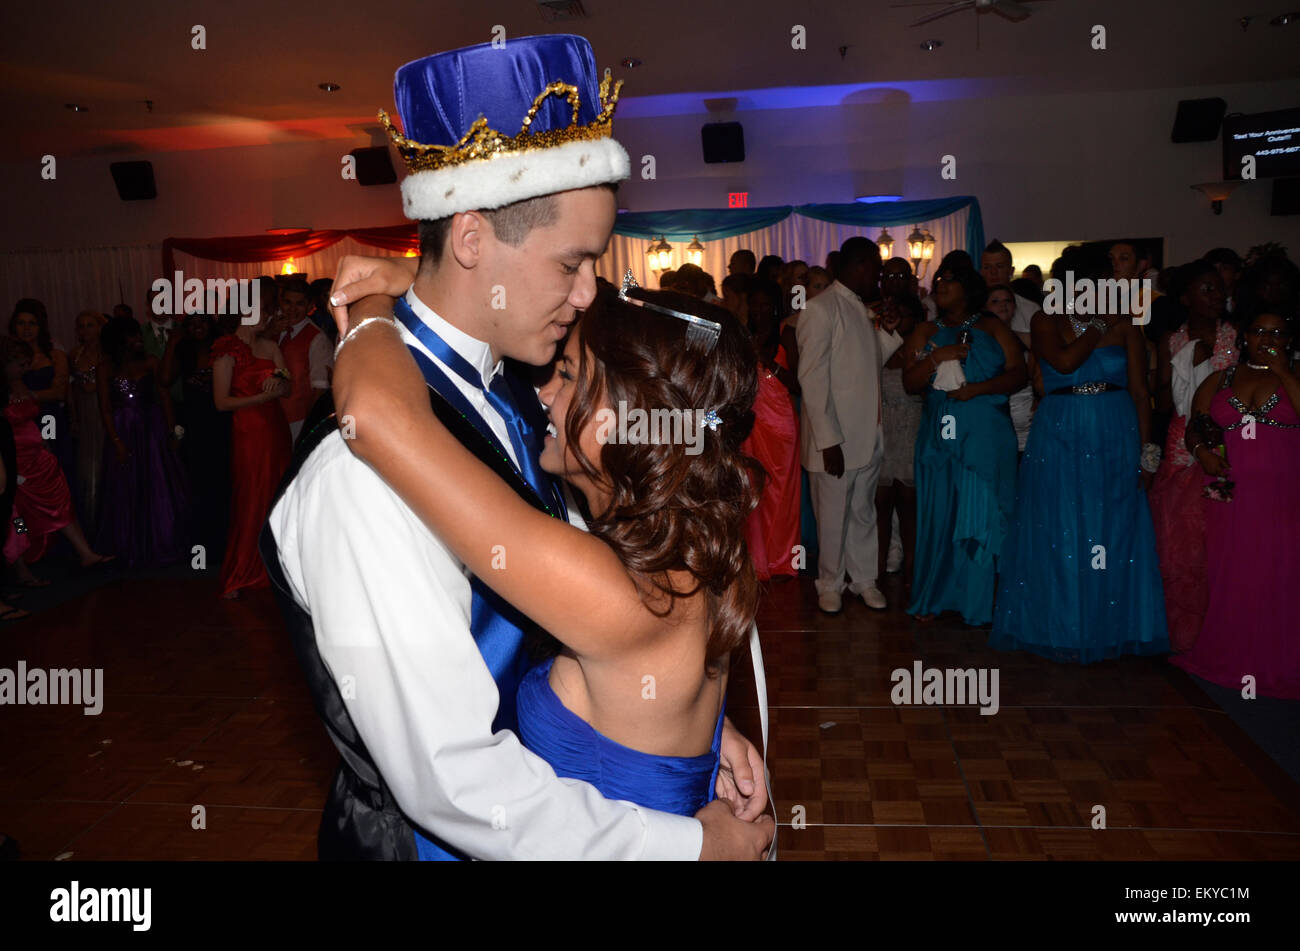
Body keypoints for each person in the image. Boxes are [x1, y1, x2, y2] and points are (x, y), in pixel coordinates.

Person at [262, 34, 772, 861]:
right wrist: (681, 837)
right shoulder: (363, 472)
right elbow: (456, 782)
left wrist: (680, 748)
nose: (587, 294)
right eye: (573, 262)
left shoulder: (524, 388)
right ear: (471, 241)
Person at [990, 257, 1168, 662]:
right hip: (1060, 430)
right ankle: (1061, 626)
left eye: (1101, 282)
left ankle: (1111, 626)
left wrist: (1147, 452)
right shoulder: (1045, 322)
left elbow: (1142, 392)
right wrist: (1100, 325)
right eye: (1085, 282)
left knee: (1113, 527)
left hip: (1116, 428)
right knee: (1061, 526)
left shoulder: (1128, 325)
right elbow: (1065, 362)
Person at [1172, 311, 1299, 698]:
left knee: (1282, 572)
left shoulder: (1292, 377)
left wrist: (1284, 371)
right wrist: (1201, 453)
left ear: (1288, 338)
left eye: (1276, 332)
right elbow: (1195, 423)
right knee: (1232, 570)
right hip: (1227, 488)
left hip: (1283, 492)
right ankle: (1232, 658)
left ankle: (1281, 662)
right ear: (1245, 336)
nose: (1266, 337)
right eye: (1259, 331)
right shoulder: (1221, 378)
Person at [901, 264, 1024, 625]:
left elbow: (1018, 374)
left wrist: (977, 389)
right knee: (941, 512)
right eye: (937, 281)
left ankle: (978, 601)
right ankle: (937, 595)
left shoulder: (993, 327)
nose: (940, 286)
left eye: (949, 279)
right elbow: (910, 382)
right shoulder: (925, 331)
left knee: (981, 512)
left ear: (968, 287)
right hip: (941, 432)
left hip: (985, 433)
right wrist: (939, 356)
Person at [797, 237, 903, 613]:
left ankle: (863, 580)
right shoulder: (820, 310)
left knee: (862, 513)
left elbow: (865, 366)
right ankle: (829, 583)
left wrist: (888, 334)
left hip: (867, 433)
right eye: (875, 266)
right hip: (835, 440)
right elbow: (812, 379)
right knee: (832, 517)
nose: (878, 274)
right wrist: (827, 440)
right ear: (857, 265)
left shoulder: (857, 307)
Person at [1147, 261, 1236, 650]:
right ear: (1185, 298)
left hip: (1228, 439)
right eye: (1207, 290)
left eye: (1219, 289)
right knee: (1178, 533)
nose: (1217, 297)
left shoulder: (1238, 337)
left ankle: (1222, 626)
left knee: (1219, 529)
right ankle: (1179, 629)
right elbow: (1163, 401)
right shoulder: (1171, 339)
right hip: (1182, 439)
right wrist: (1186, 365)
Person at [1, 337, 113, 583]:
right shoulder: (3, 391)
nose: (24, 369)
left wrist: (44, 444)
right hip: (15, 463)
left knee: (60, 502)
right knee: (17, 517)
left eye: (26, 364)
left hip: (39, 458)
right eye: (19, 364)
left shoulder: (22, 384)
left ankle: (85, 553)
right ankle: (20, 567)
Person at [212, 288, 291, 598]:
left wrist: (280, 383)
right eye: (264, 309)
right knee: (251, 497)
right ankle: (242, 572)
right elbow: (220, 402)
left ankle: (278, 571)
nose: (269, 315)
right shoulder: (225, 349)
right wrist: (262, 396)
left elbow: (288, 386)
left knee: (278, 496)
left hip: (276, 430)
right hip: (249, 433)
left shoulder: (271, 346)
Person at [95, 316, 190, 568]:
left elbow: (164, 396)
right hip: (123, 429)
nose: (138, 340)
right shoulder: (105, 368)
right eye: (132, 336)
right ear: (118, 341)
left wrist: (172, 432)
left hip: (151, 429)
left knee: (157, 485)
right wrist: (115, 440)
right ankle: (129, 546)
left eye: (138, 335)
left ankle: (159, 543)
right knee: (125, 487)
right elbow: (104, 409)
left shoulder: (150, 362)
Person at [875, 294, 925, 589]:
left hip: (910, 430)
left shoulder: (919, 350)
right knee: (880, 503)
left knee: (909, 504)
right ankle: (876, 571)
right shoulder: (878, 346)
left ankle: (914, 571)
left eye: (906, 316)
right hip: (882, 431)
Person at [8, 300, 72, 486]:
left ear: (40, 327)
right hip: (18, 423)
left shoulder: (54, 355)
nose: (26, 328)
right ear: (14, 326)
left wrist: (30, 395)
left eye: (32, 323)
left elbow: (60, 392)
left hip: (47, 418)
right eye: (21, 323)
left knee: (50, 465)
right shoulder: (7, 357)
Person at [274, 278, 331, 442]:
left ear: (309, 306)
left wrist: (307, 428)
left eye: (299, 304)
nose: (292, 309)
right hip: (268, 416)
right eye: (287, 302)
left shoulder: (317, 339)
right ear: (280, 302)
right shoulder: (271, 328)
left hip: (297, 420)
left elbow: (319, 389)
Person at [67, 310, 107, 529]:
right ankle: (90, 524)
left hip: (104, 411)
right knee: (87, 469)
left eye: (90, 325)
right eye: (81, 326)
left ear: (100, 328)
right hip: (85, 413)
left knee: (106, 464)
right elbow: (71, 390)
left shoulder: (108, 354)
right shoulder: (74, 354)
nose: (85, 330)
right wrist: (73, 417)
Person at [985, 283, 1035, 456]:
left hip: (1026, 420)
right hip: (991, 419)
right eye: (995, 301)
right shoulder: (977, 342)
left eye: (1007, 300)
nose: (1002, 305)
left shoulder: (1030, 339)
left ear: (1014, 307)